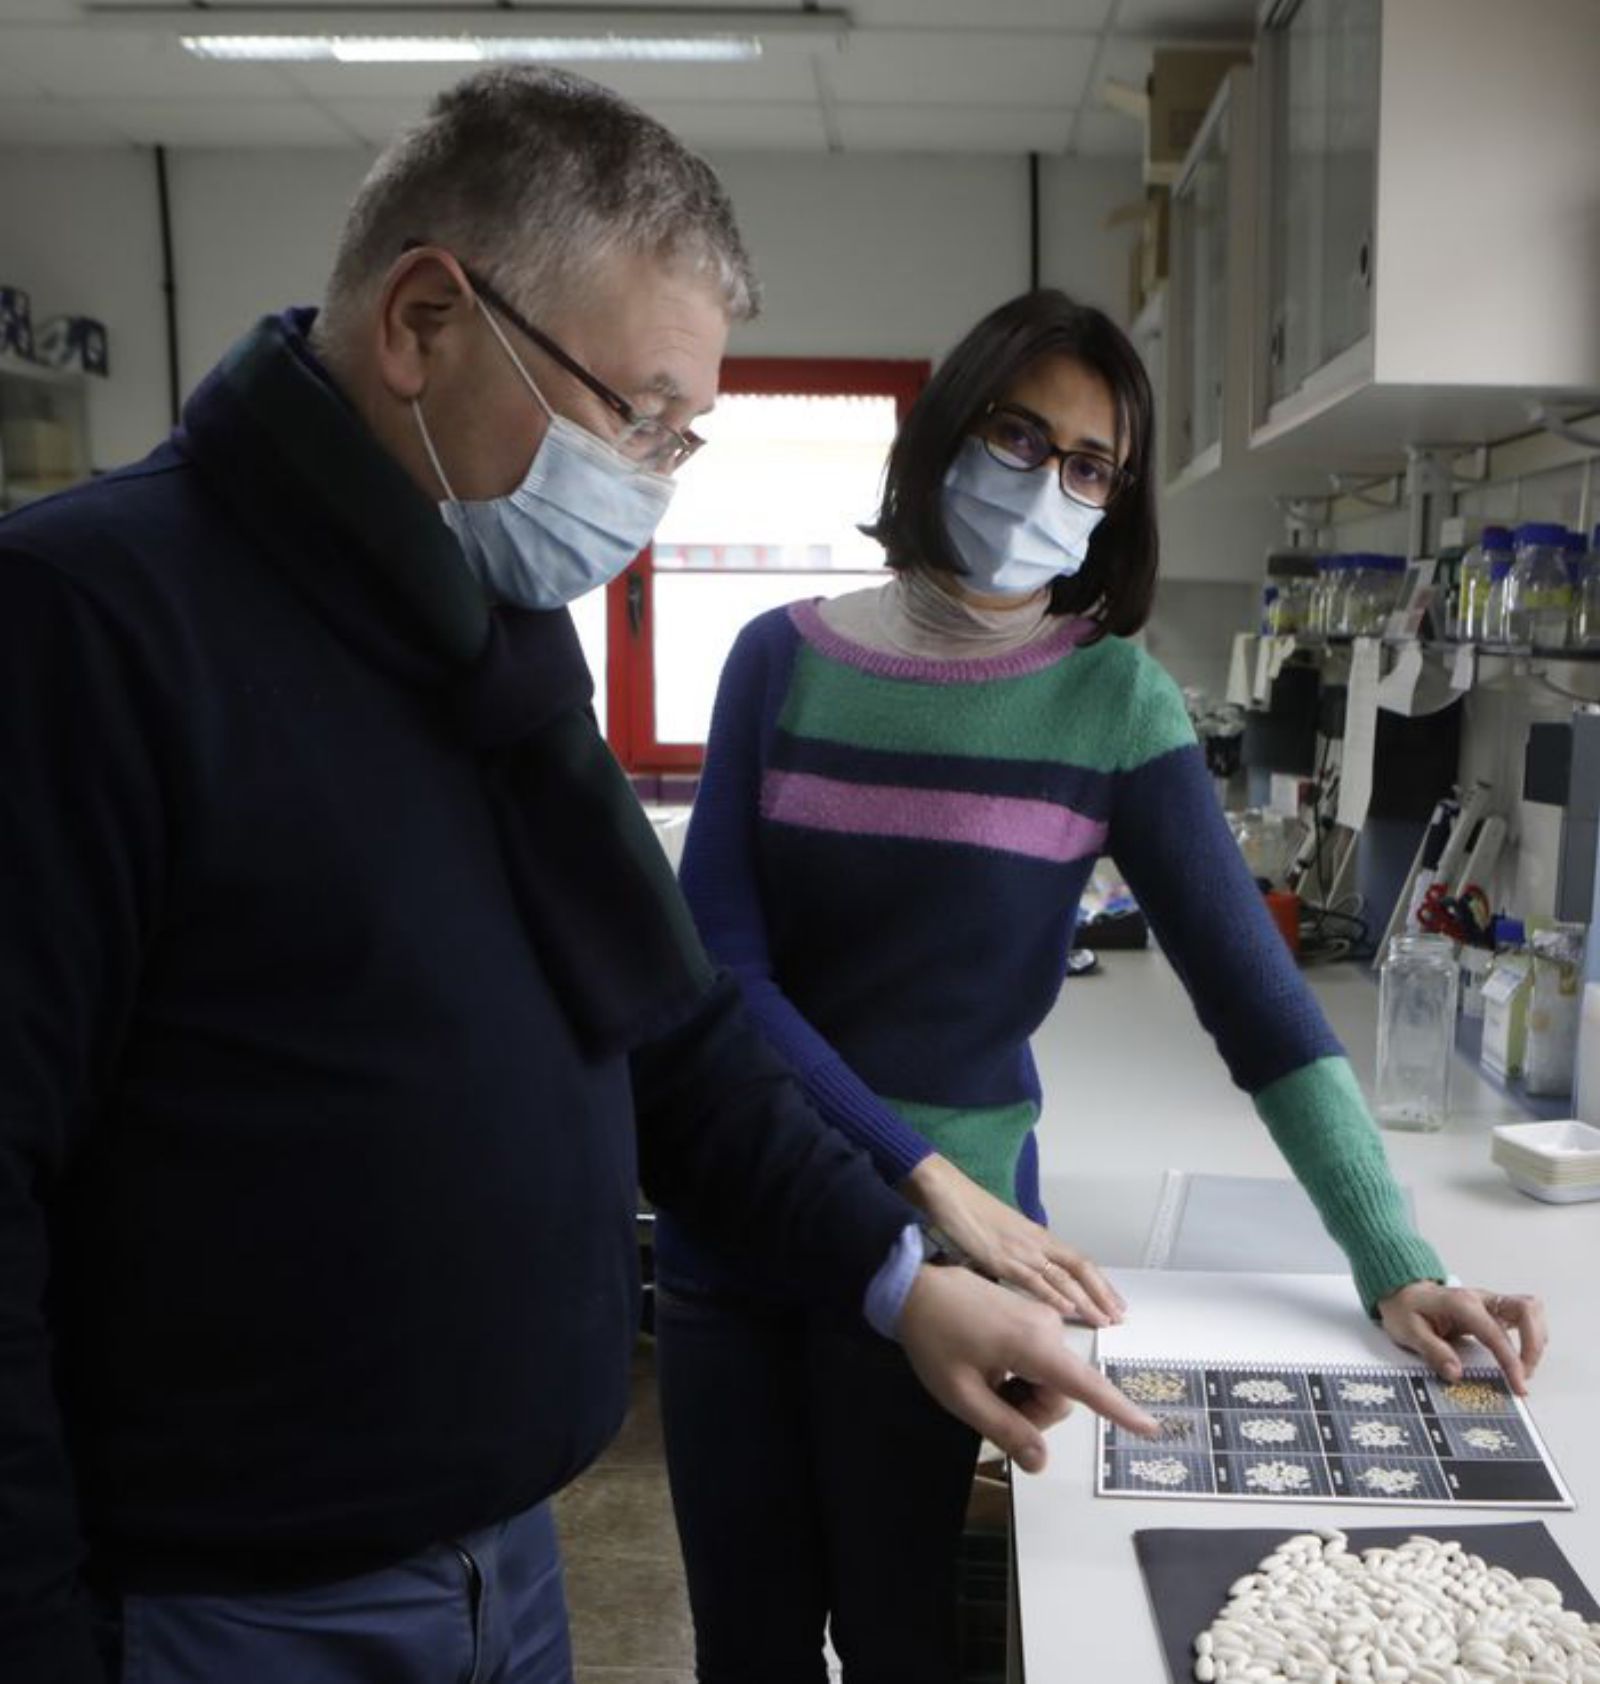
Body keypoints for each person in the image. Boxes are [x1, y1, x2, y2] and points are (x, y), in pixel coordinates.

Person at [0, 77, 1161, 1684]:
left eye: (684, 438)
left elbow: (673, 1039)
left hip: (503, 1568)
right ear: (425, 320)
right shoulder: (84, 630)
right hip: (229, 1610)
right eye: (639, 417)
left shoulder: (487, 630)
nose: (652, 482)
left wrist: (902, 1286)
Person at [655, 289, 1551, 1684]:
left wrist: (1396, 1261)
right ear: (947, 431)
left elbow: (1260, 1007)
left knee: (906, 1640)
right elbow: (726, 980)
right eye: (1021, 436)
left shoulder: (1110, 701)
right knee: (747, 1649)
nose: (1049, 484)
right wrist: (920, 1173)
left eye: (1090, 466)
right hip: (752, 1224)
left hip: (961, 1277)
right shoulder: (780, 661)